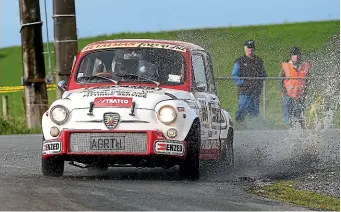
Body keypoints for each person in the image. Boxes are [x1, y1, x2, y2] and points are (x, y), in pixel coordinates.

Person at [232, 40, 267, 122]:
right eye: (248, 48)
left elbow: (264, 74)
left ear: (254, 49)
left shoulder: (259, 61)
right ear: (245, 48)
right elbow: (234, 75)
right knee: (242, 108)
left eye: (251, 48)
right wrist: (243, 83)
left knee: (254, 111)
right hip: (244, 91)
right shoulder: (239, 61)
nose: (250, 50)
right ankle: (239, 124)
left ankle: (253, 127)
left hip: (255, 91)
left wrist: (259, 82)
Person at [279, 47, 311, 128]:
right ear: (291, 56)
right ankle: (287, 128)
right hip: (288, 94)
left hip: (300, 94)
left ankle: (300, 127)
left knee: (300, 112)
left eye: (297, 54)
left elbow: (308, 80)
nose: (296, 56)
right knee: (288, 111)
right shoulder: (286, 66)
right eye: (294, 55)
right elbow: (280, 79)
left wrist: (305, 91)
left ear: (300, 55)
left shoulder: (305, 66)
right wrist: (282, 90)